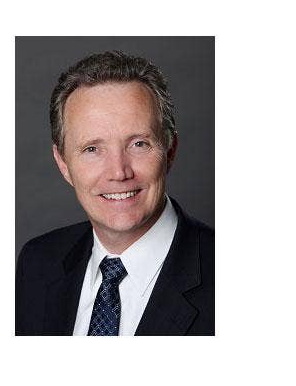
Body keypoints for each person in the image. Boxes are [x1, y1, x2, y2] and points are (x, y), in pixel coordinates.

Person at [15, 50, 214, 336]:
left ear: (170, 150)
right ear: (63, 163)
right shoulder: (37, 263)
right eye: (92, 149)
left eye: (139, 144)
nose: (119, 172)